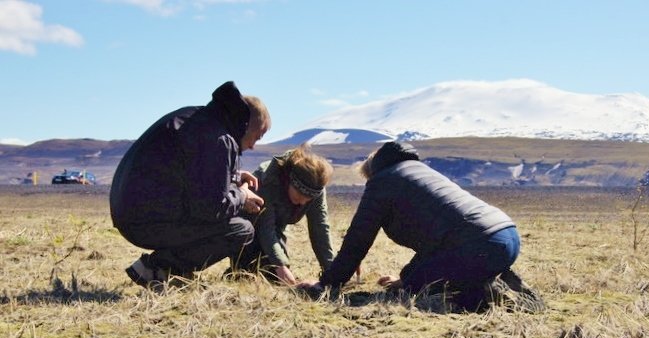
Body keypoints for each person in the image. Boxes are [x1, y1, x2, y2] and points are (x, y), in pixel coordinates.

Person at [299, 141, 543, 312]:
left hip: (477, 245)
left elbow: (358, 239)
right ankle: (493, 275)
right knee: (414, 281)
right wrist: (408, 277)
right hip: (507, 235)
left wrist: (328, 284)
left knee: (418, 293)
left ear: (372, 173)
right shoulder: (422, 172)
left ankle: (486, 295)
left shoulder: (383, 181)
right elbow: (438, 241)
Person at [110, 81, 268, 289]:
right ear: (246, 125)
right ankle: (158, 268)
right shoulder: (218, 138)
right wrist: (242, 195)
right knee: (240, 229)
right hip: (146, 221)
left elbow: (187, 174)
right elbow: (212, 208)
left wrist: (233, 176)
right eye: (257, 137)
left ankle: (172, 271)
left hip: (133, 213)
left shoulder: (201, 120)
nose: (253, 146)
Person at [228, 144, 335, 285]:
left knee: (275, 276)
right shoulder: (268, 180)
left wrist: (332, 270)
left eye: (307, 199)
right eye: (299, 196)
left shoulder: (316, 189)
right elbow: (266, 228)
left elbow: (320, 228)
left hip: (278, 228)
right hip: (249, 224)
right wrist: (280, 265)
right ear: (290, 182)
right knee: (248, 272)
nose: (302, 203)